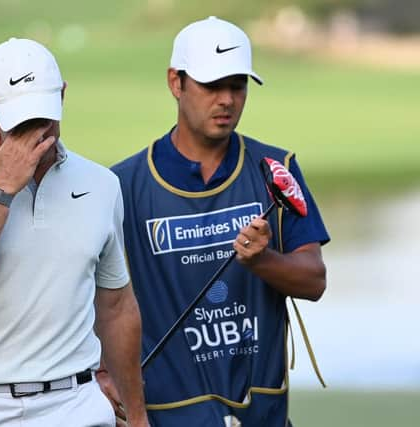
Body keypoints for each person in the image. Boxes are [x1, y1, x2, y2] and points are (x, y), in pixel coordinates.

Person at [0, 37, 148, 427]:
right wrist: (3, 185)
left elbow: (116, 307)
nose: (35, 130)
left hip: (76, 406)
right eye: (20, 119)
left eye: (43, 113)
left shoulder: (101, 184)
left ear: (63, 95)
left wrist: (137, 417)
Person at [106, 16, 330, 426]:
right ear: (176, 83)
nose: (227, 99)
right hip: (167, 415)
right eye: (212, 86)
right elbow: (100, 304)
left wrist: (263, 262)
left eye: (238, 85)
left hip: (263, 413)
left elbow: (314, 280)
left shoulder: (276, 169)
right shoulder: (121, 186)